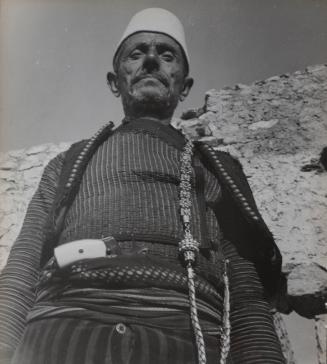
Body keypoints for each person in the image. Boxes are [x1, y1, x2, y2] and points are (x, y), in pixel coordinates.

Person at [0, 8, 286, 364]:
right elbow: (24, 263)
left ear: (185, 86)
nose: (151, 60)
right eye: (136, 54)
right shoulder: (69, 165)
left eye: (167, 56)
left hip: (187, 338)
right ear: (114, 80)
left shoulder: (216, 169)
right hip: (62, 334)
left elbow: (244, 289)